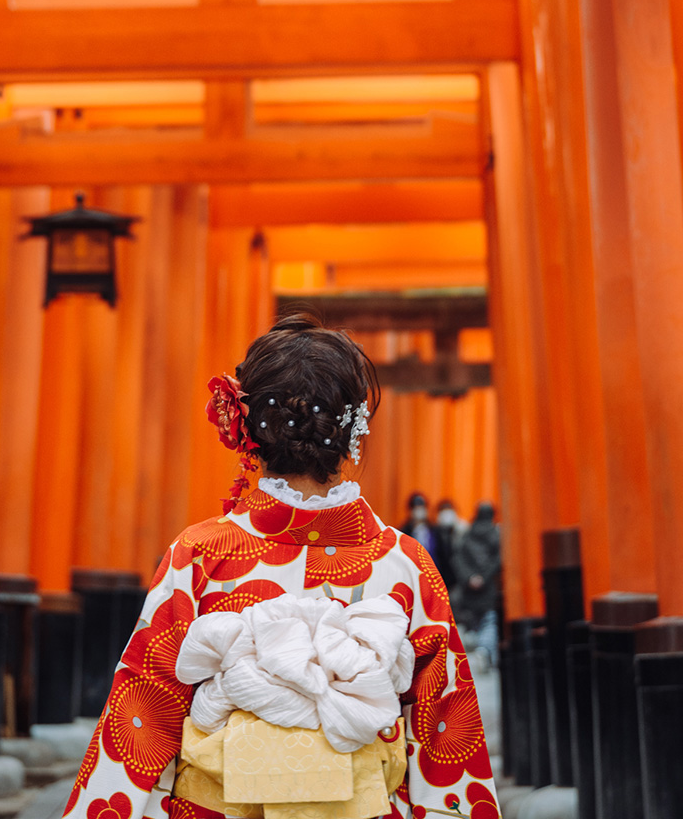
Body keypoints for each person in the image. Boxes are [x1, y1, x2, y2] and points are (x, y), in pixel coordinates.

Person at [63, 315, 501, 819]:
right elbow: (444, 731)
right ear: (354, 426)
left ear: (245, 425)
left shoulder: (201, 553)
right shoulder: (403, 563)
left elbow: (142, 712)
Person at [452, 501, 502, 670]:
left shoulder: (467, 534)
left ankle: (478, 645)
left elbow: (458, 559)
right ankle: (484, 649)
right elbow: (496, 561)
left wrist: (469, 577)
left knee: (476, 621)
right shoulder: (495, 535)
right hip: (488, 588)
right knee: (490, 620)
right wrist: (483, 577)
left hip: (469, 590)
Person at [399, 491, 436, 559]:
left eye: (422, 507)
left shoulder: (434, 530)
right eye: (416, 508)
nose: (419, 511)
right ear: (410, 511)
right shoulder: (403, 532)